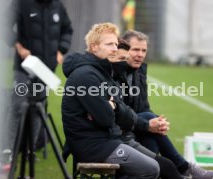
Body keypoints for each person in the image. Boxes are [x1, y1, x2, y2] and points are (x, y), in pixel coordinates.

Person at [62, 22, 160, 179]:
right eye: (109, 44)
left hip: (108, 139)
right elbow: (107, 119)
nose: (115, 48)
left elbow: (122, 112)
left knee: (157, 164)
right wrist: (111, 109)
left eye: (115, 43)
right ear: (94, 47)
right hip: (93, 145)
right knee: (150, 168)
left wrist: (113, 106)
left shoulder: (103, 71)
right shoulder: (86, 75)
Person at [117, 30, 213, 179]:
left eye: (144, 50)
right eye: (136, 49)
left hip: (132, 129)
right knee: (150, 124)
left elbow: (143, 108)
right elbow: (120, 114)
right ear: (123, 50)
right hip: (117, 134)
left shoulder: (138, 73)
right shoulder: (115, 72)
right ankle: (183, 168)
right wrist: (148, 123)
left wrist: (157, 123)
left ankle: (174, 172)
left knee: (152, 129)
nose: (140, 54)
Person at [3, 0, 73, 162]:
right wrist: (19, 47)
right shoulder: (21, 3)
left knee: (38, 108)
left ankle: (30, 150)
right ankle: (8, 149)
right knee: (17, 105)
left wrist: (61, 50)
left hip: (46, 69)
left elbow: (67, 29)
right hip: (24, 67)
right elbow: (3, 26)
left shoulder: (58, 6)